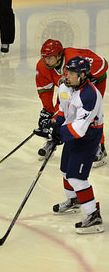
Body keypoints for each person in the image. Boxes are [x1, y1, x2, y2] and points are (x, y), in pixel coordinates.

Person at [36, 57, 104, 234]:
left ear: (82, 75)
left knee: (76, 177)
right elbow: (63, 111)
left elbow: (80, 128)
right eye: (67, 72)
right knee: (65, 170)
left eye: (72, 74)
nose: (67, 76)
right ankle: (74, 200)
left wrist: (58, 133)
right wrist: (54, 126)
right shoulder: (65, 87)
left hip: (88, 136)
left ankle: (94, 216)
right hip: (71, 131)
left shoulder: (90, 95)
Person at [35, 39, 107, 166]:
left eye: (50, 58)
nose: (46, 61)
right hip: (70, 88)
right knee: (58, 114)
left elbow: (103, 64)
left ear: (59, 56)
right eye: (44, 57)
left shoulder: (74, 58)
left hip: (92, 84)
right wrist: (48, 110)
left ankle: (99, 147)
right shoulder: (42, 66)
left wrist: (89, 79)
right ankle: (53, 139)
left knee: (91, 116)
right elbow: (45, 90)